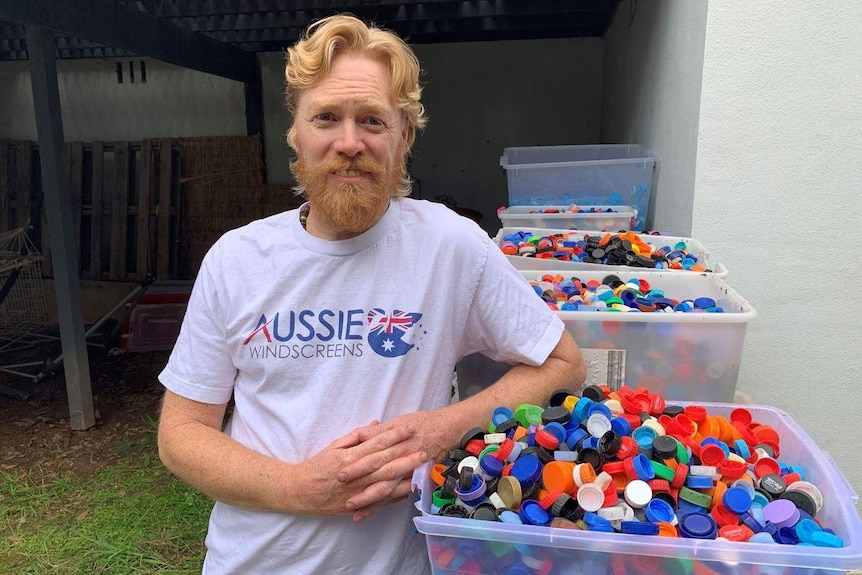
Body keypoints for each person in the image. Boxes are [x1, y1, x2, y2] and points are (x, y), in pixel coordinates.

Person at [157, 13, 586, 575]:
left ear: (403, 135)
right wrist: (299, 486)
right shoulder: (237, 260)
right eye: (327, 117)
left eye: (373, 121)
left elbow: (565, 365)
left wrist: (445, 427)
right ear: (298, 132)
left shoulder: (451, 246)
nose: (349, 142)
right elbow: (182, 434)